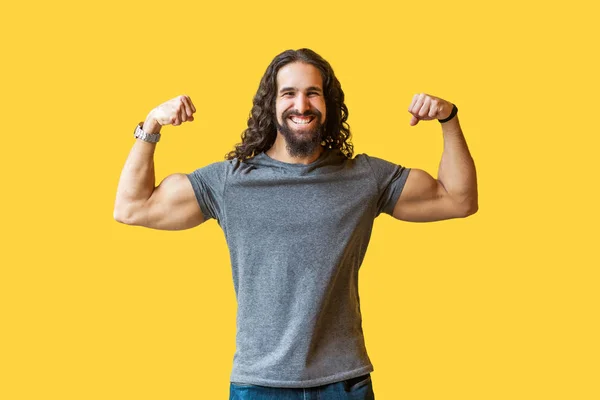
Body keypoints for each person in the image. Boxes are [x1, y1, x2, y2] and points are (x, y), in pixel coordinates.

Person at [114, 48, 478, 400]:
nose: (301, 106)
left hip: (343, 383)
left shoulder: (364, 177)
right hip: (258, 386)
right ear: (271, 105)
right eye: (288, 93)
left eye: (312, 94)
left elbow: (458, 199)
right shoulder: (231, 181)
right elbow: (132, 207)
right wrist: (151, 125)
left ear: (328, 104)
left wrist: (449, 119)